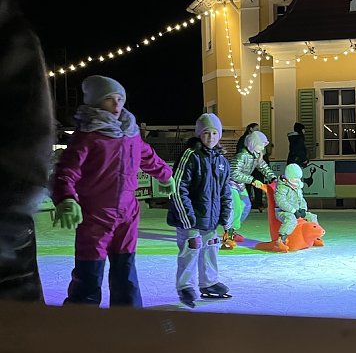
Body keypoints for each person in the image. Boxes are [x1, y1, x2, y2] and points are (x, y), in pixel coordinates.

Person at [52, 75, 174, 307]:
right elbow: (66, 170)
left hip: (128, 213)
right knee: (89, 273)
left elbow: (146, 155)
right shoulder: (87, 136)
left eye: (120, 99)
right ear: (96, 103)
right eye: (110, 99)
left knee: (126, 272)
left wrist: (165, 174)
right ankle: (80, 323)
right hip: (95, 214)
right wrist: (66, 198)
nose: (117, 105)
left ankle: (128, 320)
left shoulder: (131, 133)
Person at [0, 0, 53, 302]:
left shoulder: (11, 39)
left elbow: (31, 129)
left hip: (4, 222)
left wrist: (11, 212)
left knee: (17, 342)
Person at [167, 114, 233, 308]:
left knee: (211, 246)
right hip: (190, 218)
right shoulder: (191, 155)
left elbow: (225, 191)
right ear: (199, 134)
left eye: (214, 133)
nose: (211, 137)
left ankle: (209, 283)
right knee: (192, 248)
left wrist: (226, 215)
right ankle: (186, 287)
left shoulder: (222, 161)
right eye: (206, 133)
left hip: (210, 219)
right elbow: (178, 187)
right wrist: (187, 217)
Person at [225, 130, 277, 248]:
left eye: (263, 145)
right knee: (236, 207)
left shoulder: (257, 155)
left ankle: (233, 229)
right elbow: (233, 173)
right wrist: (252, 180)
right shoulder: (242, 155)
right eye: (261, 145)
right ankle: (229, 232)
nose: (262, 147)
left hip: (241, 184)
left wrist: (273, 177)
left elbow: (263, 167)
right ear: (253, 144)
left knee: (246, 206)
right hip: (230, 184)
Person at [274, 164, 319, 248]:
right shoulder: (282, 187)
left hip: (297, 211)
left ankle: (315, 236)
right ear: (288, 177)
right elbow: (281, 201)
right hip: (283, 211)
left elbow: (301, 200)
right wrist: (293, 211)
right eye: (295, 178)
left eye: (299, 178)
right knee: (290, 219)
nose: (297, 180)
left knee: (312, 217)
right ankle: (281, 239)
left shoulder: (297, 187)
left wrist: (303, 210)